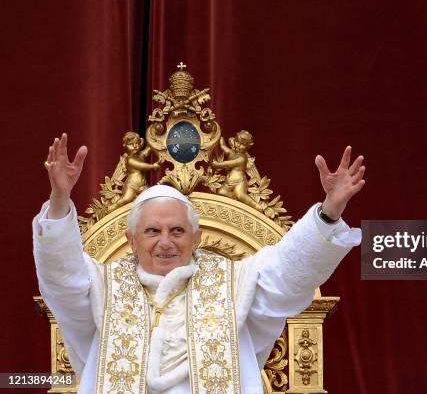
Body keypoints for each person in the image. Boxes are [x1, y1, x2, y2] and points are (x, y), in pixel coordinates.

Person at [34, 133, 366, 394]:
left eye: (177, 230)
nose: (165, 241)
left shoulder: (234, 284)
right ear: (132, 240)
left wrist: (329, 212)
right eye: (152, 231)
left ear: (196, 239)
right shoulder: (101, 288)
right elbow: (61, 278)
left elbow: (288, 273)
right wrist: (60, 199)